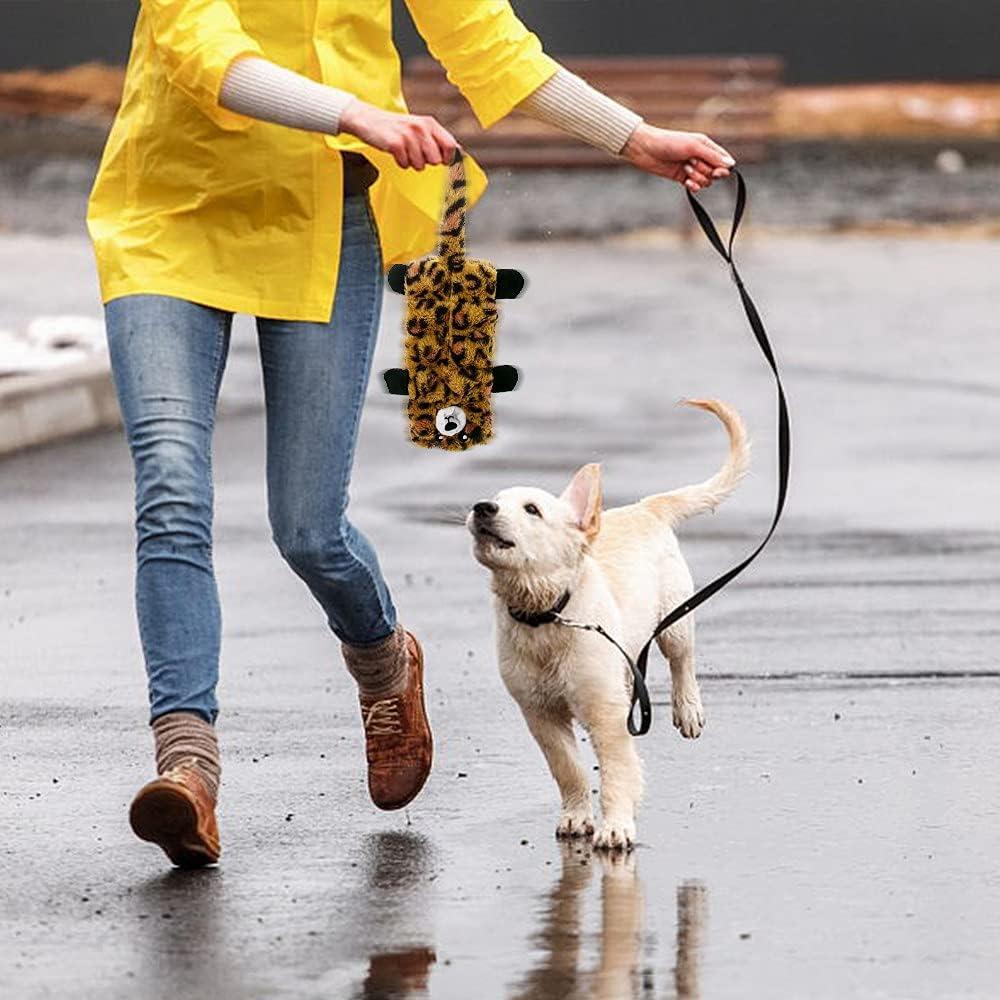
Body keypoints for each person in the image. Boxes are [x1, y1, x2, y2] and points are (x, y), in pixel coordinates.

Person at [86, 0, 735, 869]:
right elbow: (206, 54)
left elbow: (486, 42)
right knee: (171, 486)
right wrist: (352, 112)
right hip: (169, 212)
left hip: (324, 214)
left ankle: (385, 659)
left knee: (309, 528)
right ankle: (188, 763)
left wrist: (631, 137)